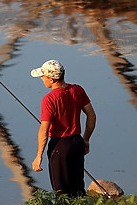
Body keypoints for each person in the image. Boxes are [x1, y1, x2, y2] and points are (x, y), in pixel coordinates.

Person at [31, 59, 96, 197]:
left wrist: (38, 156)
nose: (42, 78)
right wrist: (86, 140)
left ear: (52, 79)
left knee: (61, 191)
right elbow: (91, 116)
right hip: (77, 142)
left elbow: (44, 130)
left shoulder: (49, 99)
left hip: (60, 146)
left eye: (43, 76)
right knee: (78, 186)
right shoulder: (77, 90)